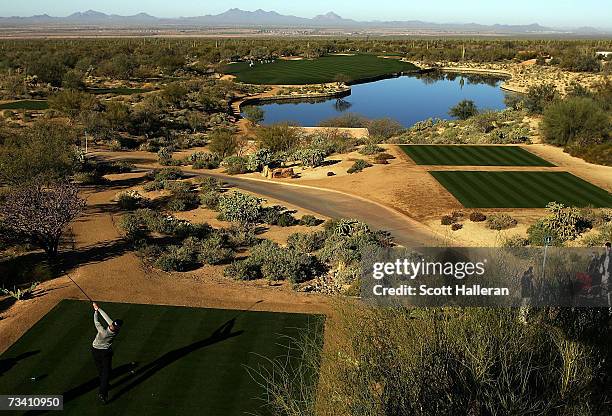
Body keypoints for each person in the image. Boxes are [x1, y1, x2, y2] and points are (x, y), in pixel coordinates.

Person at [91, 302, 122, 404]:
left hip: (96, 350)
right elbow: (107, 318)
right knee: (105, 371)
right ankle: (104, 389)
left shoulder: (103, 332)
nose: (113, 326)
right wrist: (98, 309)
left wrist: (96, 311)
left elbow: (96, 322)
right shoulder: (116, 331)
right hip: (104, 351)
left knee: (103, 371)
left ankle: (103, 389)